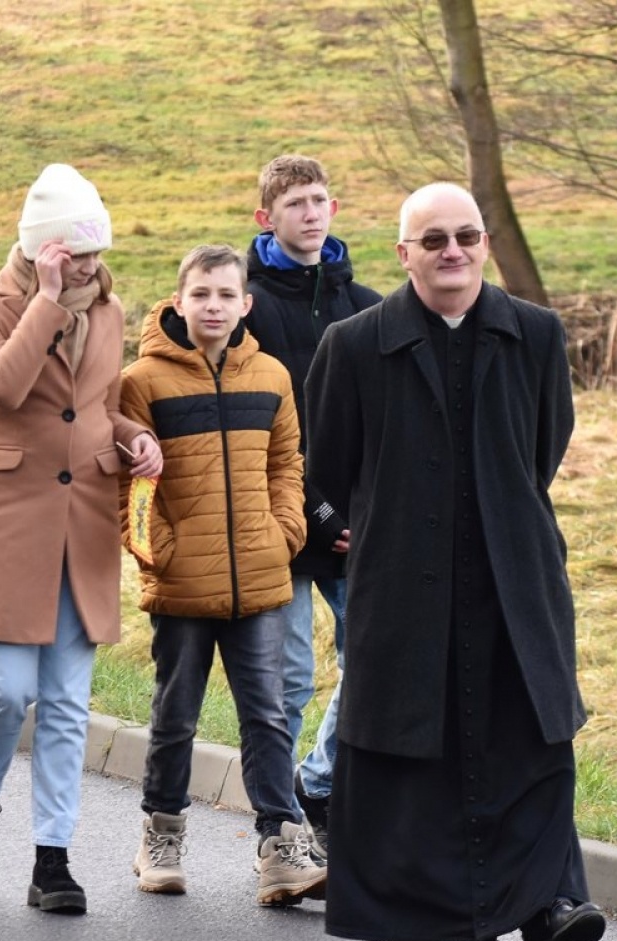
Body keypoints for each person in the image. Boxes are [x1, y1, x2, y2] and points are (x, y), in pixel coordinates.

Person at [304, 182, 605, 941]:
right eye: (432, 240)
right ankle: (418, 915)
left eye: (466, 236)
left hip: (516, 576)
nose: (452, 252)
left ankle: (548, 905)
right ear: (403, 254)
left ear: (484, 246)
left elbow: (544, 447)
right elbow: (332, 463)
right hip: (402, 581)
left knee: (525, 740)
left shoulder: (535, 335)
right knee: (411, 746)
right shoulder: (354, 346)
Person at [0, 163, 161, 915]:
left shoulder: (108, 310)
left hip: (87, 521)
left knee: (68, 701)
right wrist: (43, 303)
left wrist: (136, 439)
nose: (94, 272)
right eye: (77, 259)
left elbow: (97, 405)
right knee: (7, 687)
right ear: (44, 252)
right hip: (10, 519)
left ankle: (53, 859)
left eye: (98, 257)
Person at [118, 243, 325, 906]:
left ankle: (281, 846)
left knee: (267, 715)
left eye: (225, 295)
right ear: (179, 301)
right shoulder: (141, 383)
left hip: (261, 579)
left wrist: (284, 534)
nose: (213, 306)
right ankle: (162, 836)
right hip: (181, 585)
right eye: (201, 294)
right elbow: (130, 491)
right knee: (175, 714)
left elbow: (287, 465)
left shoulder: (269, 376)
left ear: (245, 304)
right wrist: (163, 552)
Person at [243, 154, 380, 853]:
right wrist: (317, 511)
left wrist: (363, 510)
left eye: (321, 200)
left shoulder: (371, 305)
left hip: (357, 524)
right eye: (296, 204)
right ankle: (283, 832)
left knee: (377, 660)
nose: (312, 213)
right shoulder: (243, 304)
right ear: (267, 217)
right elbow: (249, 427)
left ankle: (317, 784)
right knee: (289, 680)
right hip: (279, 519)